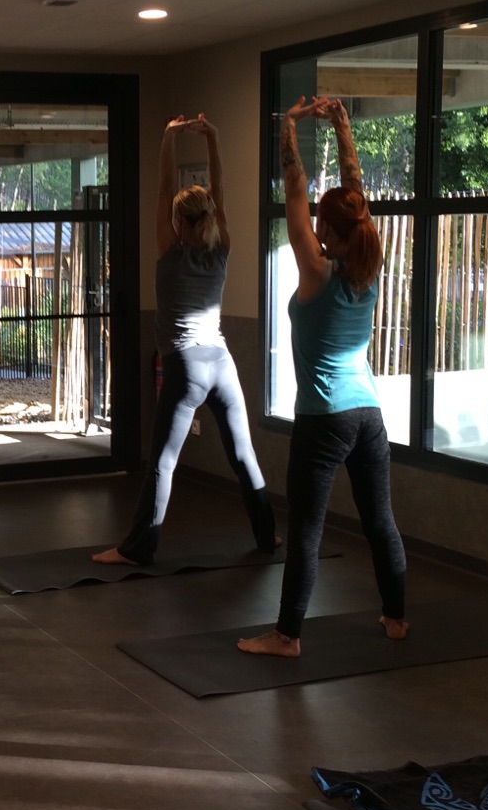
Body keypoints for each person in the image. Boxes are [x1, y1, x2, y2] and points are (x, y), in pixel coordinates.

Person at [240, 96, 407, 657]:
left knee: (307, 531)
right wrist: (341, 125)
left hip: (325, 416)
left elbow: (293, 189)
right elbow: (354, 193)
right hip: (369, 415)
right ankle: (397, 617)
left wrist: (286, 123)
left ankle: (287, 635)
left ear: (326, 228)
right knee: (379, 522)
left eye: (319, 221)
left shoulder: (316, 271)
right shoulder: (368, 266)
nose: (311, 222)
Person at [94, 113, 277, 567]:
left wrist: (168, 136)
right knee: (243, 455)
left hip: (185, 364)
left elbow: (161, 188)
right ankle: (268, 536)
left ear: (178, 220)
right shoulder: (222, 246)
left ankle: (137, 548)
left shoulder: (170, 249)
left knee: (162, 462)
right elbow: (221, 193)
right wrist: (213, 139)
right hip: (222, 363)